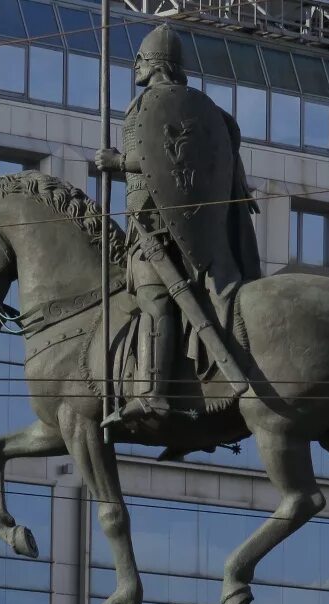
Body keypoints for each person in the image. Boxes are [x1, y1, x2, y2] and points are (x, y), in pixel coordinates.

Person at [94, 24, 260, 425]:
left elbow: (161, 165)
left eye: (139, 59)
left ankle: (154, 395)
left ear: (150, 63)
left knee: (154, 301)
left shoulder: (144, 109)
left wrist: (116, 163)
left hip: (158, 232)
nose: (134, 65)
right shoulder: (210, 113)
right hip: (193, 234)